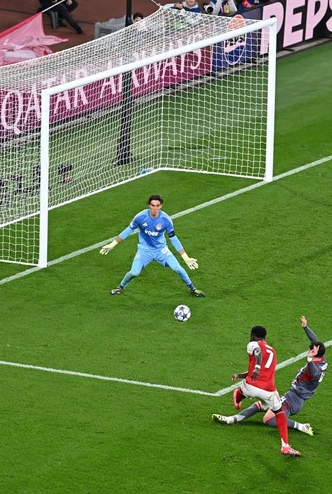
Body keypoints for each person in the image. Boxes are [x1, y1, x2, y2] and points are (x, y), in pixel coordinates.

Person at [212, 325, 302, 457]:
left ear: (253, 335)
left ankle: (239, 395)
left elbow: (257, 352)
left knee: (243, 390)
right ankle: (285, 446)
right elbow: (260, 368)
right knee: (279, 413)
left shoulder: (253, 344)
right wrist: (242, 374)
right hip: (268, 390)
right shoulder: (273, 351)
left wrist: (257, 368)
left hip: (251, 387)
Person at [99, 194, 206, 298]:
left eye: (157, 206)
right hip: (144, 250)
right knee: (134, 273)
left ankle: (193, 288)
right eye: (153, 205)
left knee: (177, 268)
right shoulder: (140, 217)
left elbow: (174, 239)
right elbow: (128, 230)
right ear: (149, 205)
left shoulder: (166, 220)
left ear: (161, 206)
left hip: (161, 250)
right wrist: (112, 244)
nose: (155, 208)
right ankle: (120, 287)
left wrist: (185, 257)